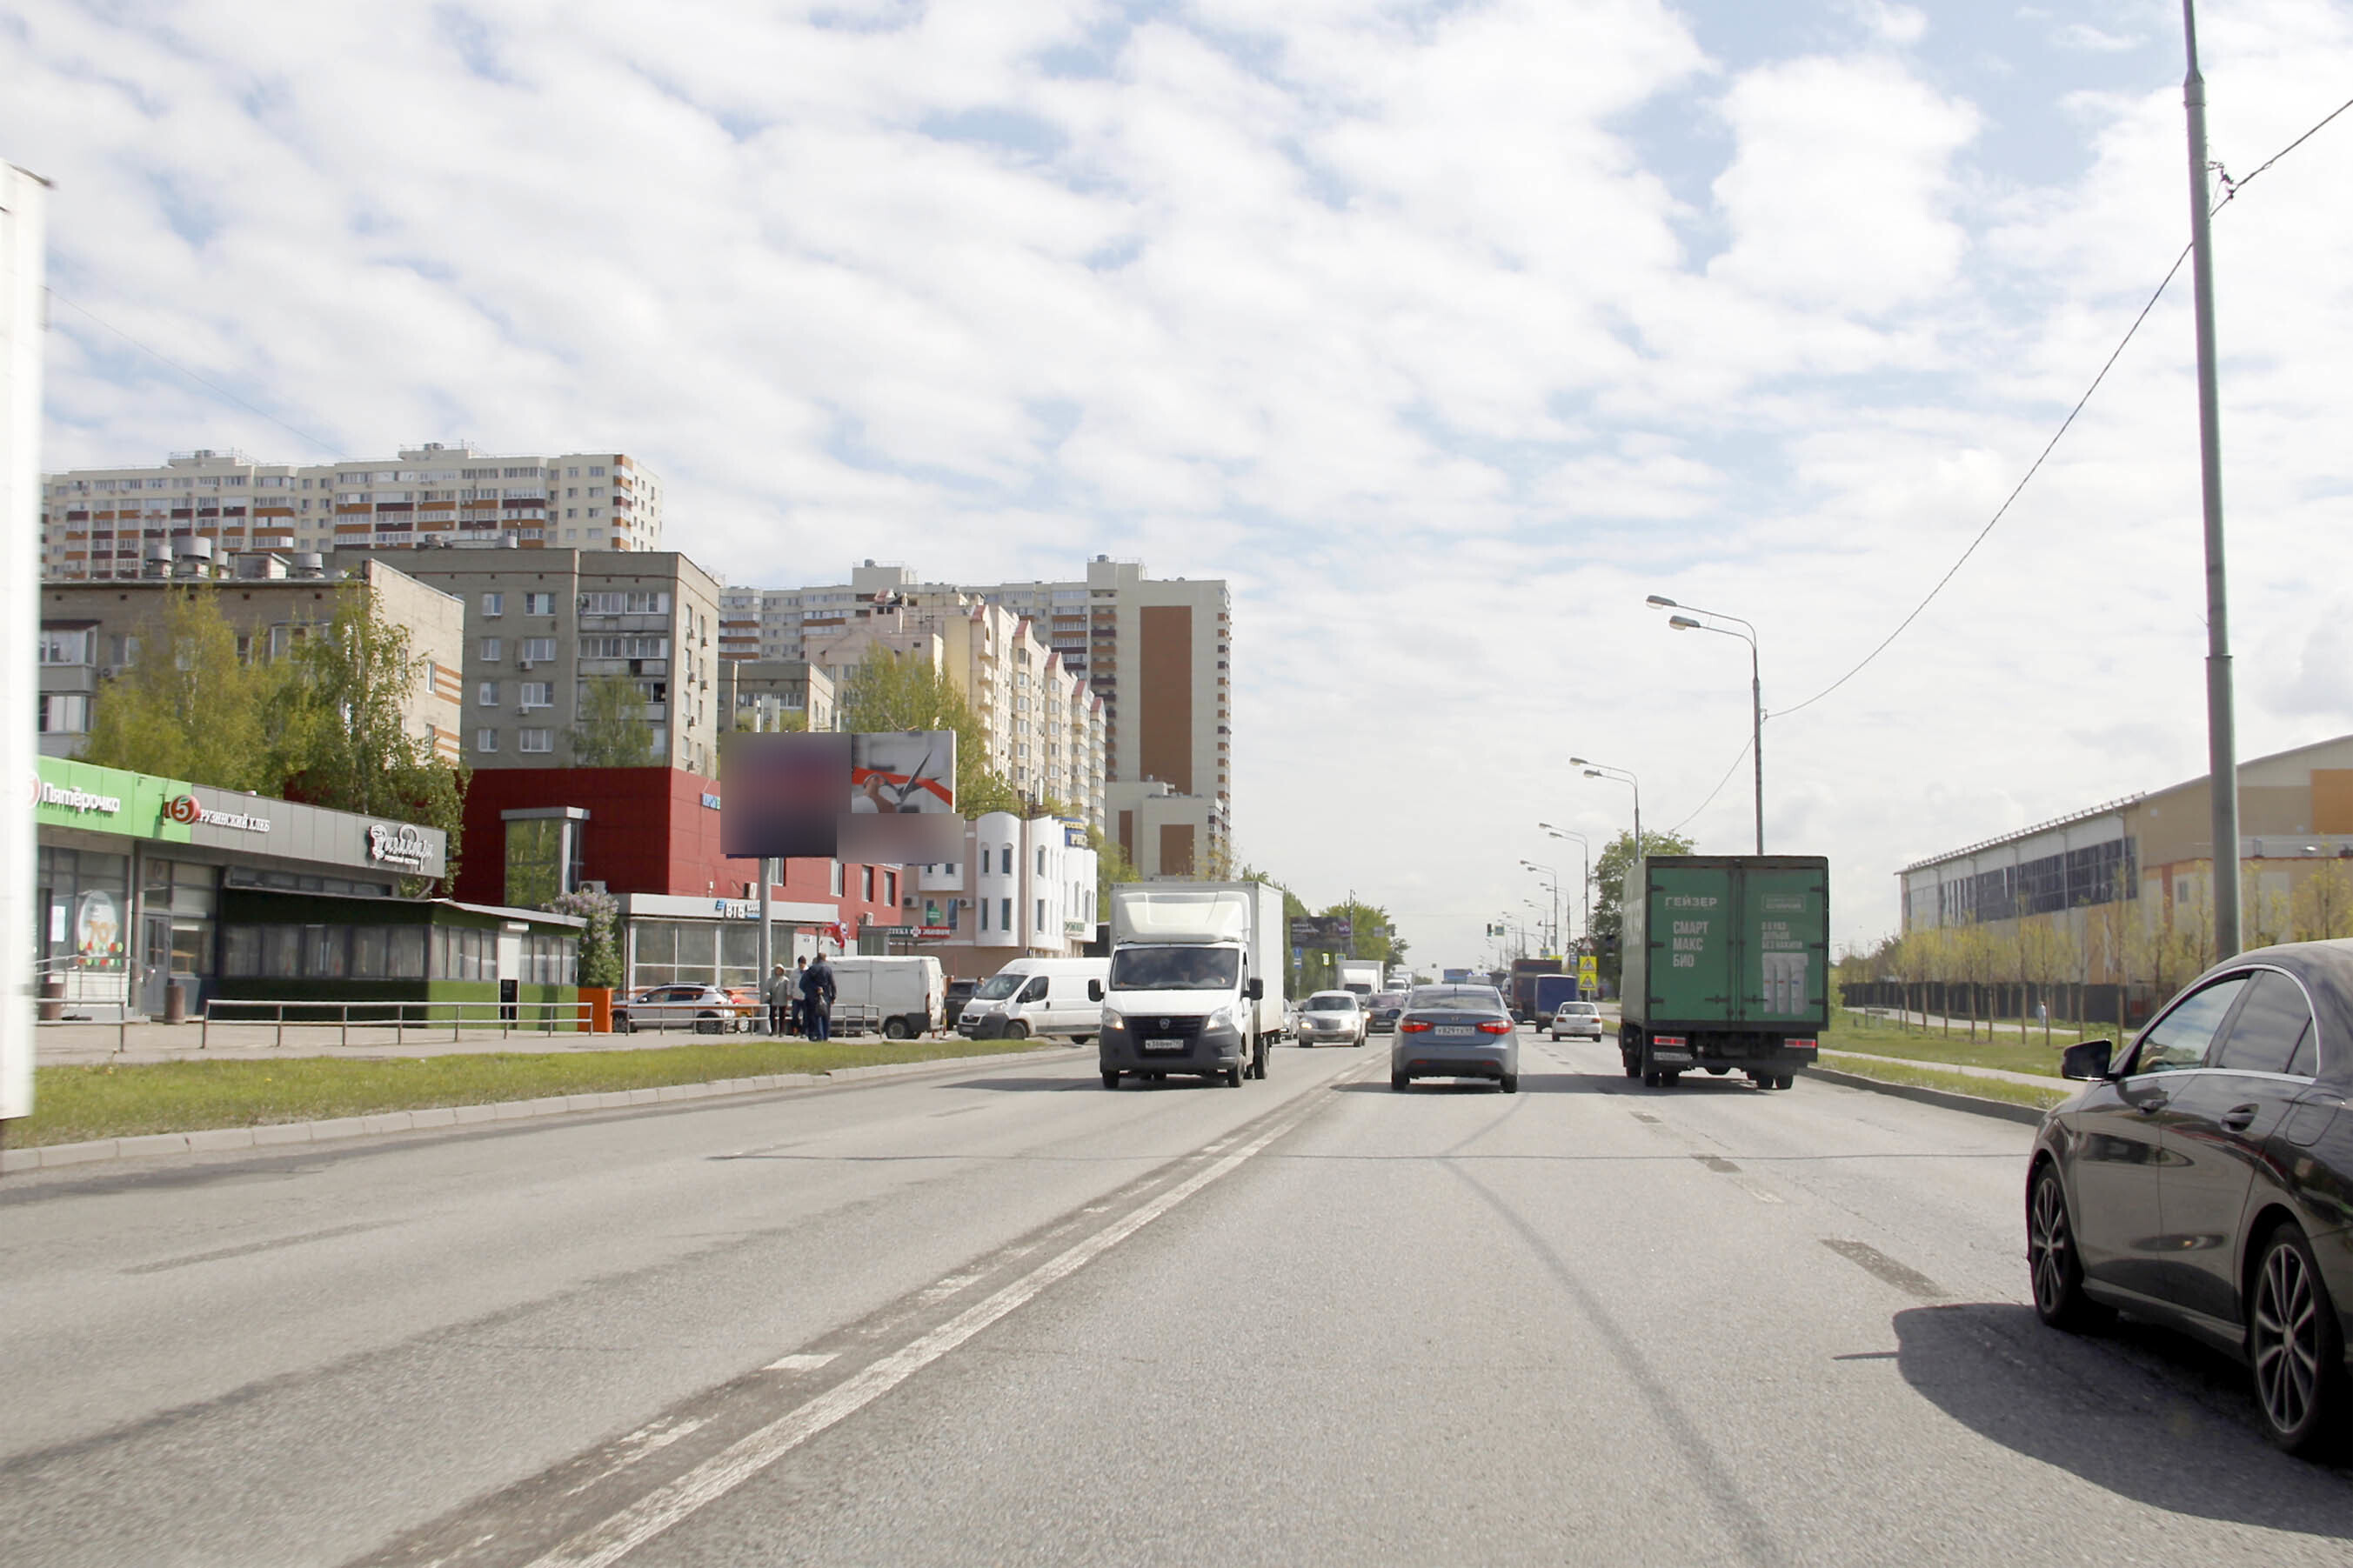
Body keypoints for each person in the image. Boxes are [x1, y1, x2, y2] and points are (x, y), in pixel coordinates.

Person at [801, 951, 837, 1042]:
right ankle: (825, 1037)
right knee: (826, 1017)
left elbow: (802, 984)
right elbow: (833, 984)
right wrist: (833, 997)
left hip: (813, 997)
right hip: (826, 996)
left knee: (815, 1017)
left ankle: (818, 1036)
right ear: (825, 959)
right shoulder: (828, 969)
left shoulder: (811, 969)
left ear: (817, 958)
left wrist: (810, 992)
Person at [764, 963, 793, 1037]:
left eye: (780, 970)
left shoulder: (785, 980)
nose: (778, 971)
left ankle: (781, 1031)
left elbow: (788, 989)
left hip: (783, 1000)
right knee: (772, 1016)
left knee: (782, 1016)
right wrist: (768, 993)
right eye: (777, 970)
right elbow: (767, 988)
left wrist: (789, 995)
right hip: (774, 999)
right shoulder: (771, 980)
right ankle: (773, 1030)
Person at [790, 956, 809, 1035]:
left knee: (806, 1015)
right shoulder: (794, 972)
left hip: (805, 997)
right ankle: (797, 1029)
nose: (801, 966)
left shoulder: (808, 972)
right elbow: (790, 984)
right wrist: (789, 993)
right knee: (794, 1015)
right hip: (796, 997)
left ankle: (804, 1032)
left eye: (802, 964)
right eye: (800, 964)